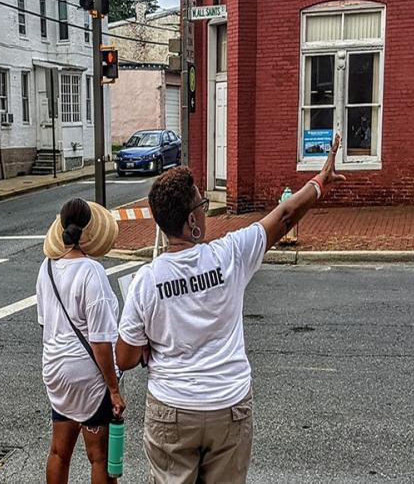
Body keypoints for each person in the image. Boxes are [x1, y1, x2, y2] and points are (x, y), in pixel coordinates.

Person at [116, 136, 345, 483]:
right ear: (192, 220)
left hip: (172, 408)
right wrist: (319, 182)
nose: (205, 212)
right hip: (229, 405)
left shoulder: (145, 282)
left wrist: (148, 343)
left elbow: (125, 358)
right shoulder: (230, 255)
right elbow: (284, 216)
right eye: (202, 206)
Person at [36, 198, 125, 484]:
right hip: (88, 375)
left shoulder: (46, 268)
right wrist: (113, 389)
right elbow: (100, 341)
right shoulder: (92, 272)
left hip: (54, 370)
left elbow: (44, 322)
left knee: (59, 452)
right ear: (89, 231)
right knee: (99, 457)